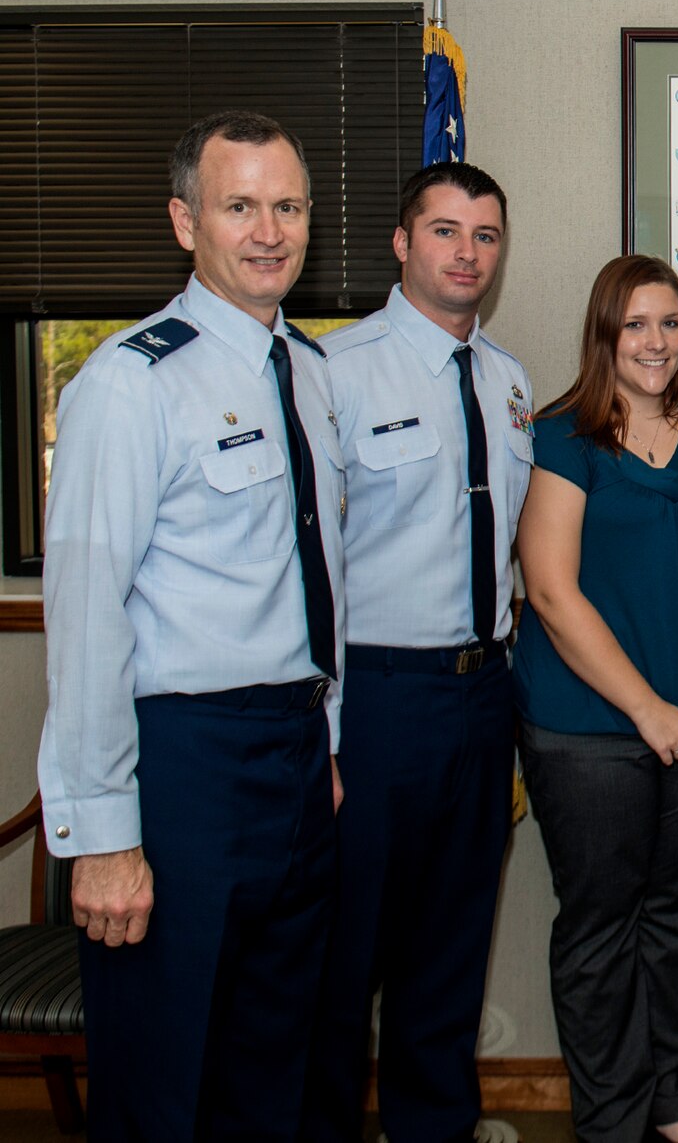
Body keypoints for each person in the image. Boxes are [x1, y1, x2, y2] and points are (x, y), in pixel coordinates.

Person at [36, 110, 345, 1139]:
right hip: (181, 767)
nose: (270, 231)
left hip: (294, 758)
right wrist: (104, 836)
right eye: (240, 205)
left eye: (288, 205)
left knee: (275, 1068)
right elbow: (84, 616)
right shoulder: (130, 382)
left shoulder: (306, 370)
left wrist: (327, 741)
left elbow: (316, 574)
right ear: (185, 220)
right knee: (164, 1079)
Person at [302, 162, 531, 1143]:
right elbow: (304, 570)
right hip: (376, 695)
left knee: (450, 943)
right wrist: (327, 734)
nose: (465, 253)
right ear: (402, 243)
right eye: (444, 231)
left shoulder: (509, 380)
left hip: (483, 695)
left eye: (483, 235)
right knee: (341, 953)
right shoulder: (331, 373)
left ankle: (432, 1126)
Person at [513, 255, 678, 1143]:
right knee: (600, 927)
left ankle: (671, 1107)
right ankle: (610, 1124)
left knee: (669, 915)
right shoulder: (564, 438)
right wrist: (646, 709)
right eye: (635, 324)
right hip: (589, 730)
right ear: (605, 335)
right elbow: (550, 591)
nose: (655, 342)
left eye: (670, 321)